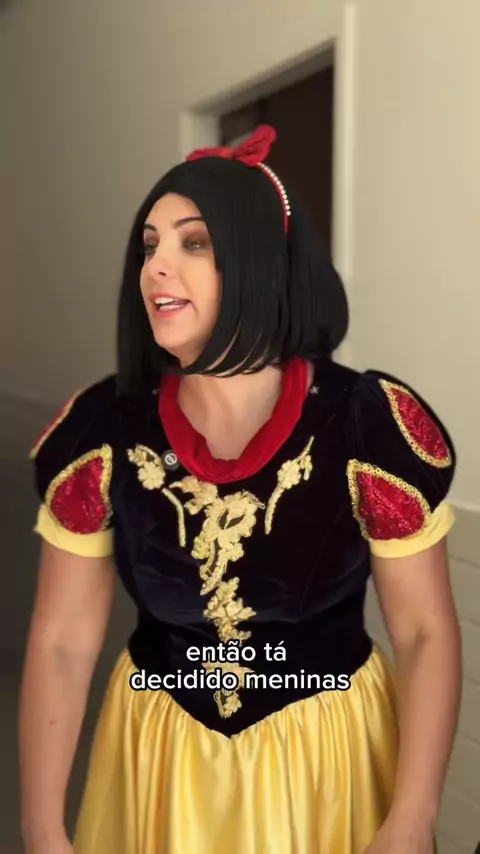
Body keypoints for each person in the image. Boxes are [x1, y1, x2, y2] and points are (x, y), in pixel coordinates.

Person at [18, 125, 461, 854]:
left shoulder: (363, 423)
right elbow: (63, 641)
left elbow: (422, 633)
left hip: (329, 759)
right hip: (160, 761)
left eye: (192, 242)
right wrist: (41, 829)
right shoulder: (104, 428)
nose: (156, 266)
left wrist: (411, 817)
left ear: (257, 258)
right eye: (148, 247)